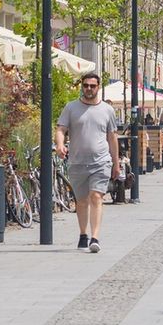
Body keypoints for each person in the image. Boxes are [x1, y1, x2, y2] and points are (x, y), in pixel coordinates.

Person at [54, 71, 120, 254]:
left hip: (101, 161)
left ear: (98, 87)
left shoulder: (107, 110)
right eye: (86, 85)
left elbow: (112, 137)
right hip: (77, 162)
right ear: (81, 86)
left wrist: (116, 163)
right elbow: (61, 129)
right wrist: (60, 145)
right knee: (81, 201)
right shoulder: (71, 107)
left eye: (92, 86)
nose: (89, 89)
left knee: (96, 196)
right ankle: (83, 234)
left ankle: (95, 237)